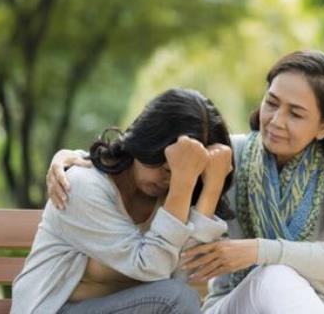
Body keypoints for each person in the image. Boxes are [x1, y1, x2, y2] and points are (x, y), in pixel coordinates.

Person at [49, 51, 324, 313]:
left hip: (309, 306)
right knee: (273, 277)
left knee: (279, 278)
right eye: (272, 103)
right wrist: (69, 156)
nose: (276, 121)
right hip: (234, 304)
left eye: (296, 113)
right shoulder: (229, 154)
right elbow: (147, 148)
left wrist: (256, 251)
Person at [15, 88, 235, 314]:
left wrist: (211, 188)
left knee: (178, 295)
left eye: (186, 175)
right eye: (167, 168)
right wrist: (182, 183)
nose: (168, 180)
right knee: (177, 298)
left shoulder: (170, 197)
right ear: (147, 141)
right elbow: (153, 268)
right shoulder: (81, 186)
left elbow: (181, 272)